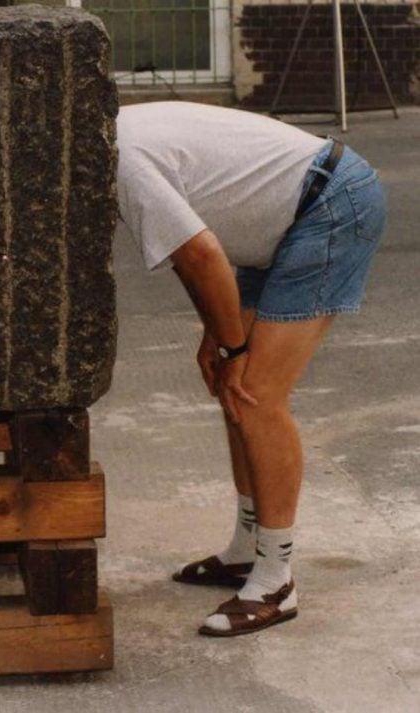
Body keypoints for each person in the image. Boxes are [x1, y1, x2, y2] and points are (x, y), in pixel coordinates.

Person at [115, 102, 386, 636]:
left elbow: (202, 255)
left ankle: (276, 581)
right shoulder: (112, 133)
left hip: (331, 202)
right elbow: (187, 251)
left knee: (256, 393)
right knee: (232, 386)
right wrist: (217, 336)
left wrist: (233, 349)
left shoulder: (121, 162)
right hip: (287, 213)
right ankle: (246, 548)